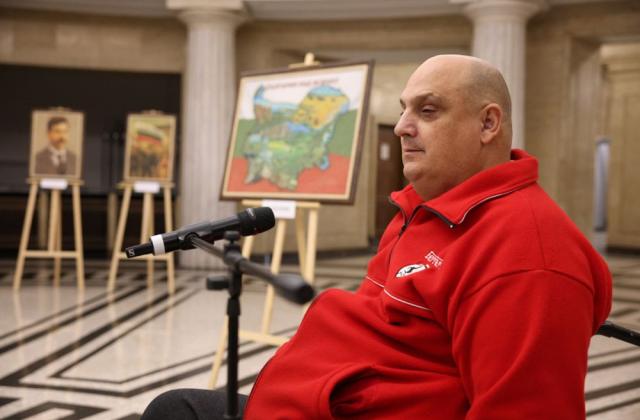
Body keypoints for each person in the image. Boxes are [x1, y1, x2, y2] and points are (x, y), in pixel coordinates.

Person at [142, 55, 612, 419]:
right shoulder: (424, 208)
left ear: (488, 124)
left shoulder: (529, 255)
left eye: (428, 110)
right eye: (404, 109)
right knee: (176, 409)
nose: (403, 126)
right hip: (313, 402)